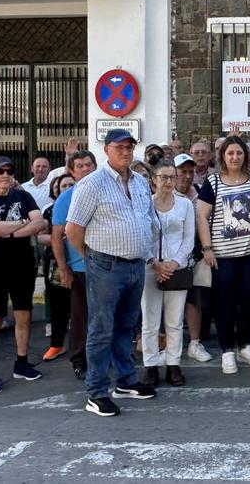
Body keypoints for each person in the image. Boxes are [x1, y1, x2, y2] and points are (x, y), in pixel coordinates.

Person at [65, 130, 159, 417]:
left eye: (130, 146)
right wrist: (92, 259)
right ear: (106, 150)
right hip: (105, 265)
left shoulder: (141, 182)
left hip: (135, 264)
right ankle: (96, 392)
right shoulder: (92, 184)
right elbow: (72, 230)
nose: (126, 151)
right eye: (120, 147)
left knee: (126, 327)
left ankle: (126, 381)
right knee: (101, 329)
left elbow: (147, 220)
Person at [0, 156, 47, 396]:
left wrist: (11, 231)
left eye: (10, 170)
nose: (5, 174)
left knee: (23, 315)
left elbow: (39, 223)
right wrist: (21, 223)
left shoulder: (23, 196)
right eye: (0, 171)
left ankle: (22, 362)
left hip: (22, 264)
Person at [196, 136, 250, 374]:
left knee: (249, 303)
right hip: (222, 256)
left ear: (245, 156)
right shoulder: (213, 182)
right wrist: (207, 248)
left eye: (239, 153)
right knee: (223, 304)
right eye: (230, 153)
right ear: (222, 156)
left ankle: (244, 344)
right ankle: (227, 350)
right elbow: (201, 216)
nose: (235, 157)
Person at [143, 161, 195, 387]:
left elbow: (189, 239)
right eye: (163, 177)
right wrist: (155, 264)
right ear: (154, 179)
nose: (168, 182)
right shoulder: (144, 205)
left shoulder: (185, 205)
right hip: (150, 269)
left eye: (172, 177)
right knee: (150, 322)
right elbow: (140, 237)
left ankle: (173, 365)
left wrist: (173, 264)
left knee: (174, 322)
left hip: (177, 268)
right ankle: (150, 366)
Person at [51, 149, 98, 380]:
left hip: (105, 267)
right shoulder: (65, 199)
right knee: (80, 319)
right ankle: (79, 360)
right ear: (72, 171)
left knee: (105, 317)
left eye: (88, 165)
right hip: (79, 269)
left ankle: (101, 357)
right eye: (79, 166)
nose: (85, 169)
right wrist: (63, 268)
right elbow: (57, 235)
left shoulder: (105, 191)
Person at [173, 153, 212, 363]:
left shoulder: (199, 193)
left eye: (190, 172)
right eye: (182, 172)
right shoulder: (166, 196)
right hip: (173, 258)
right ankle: (171, 343)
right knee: (172, 301)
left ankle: (194, 343)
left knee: (195, 300)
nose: (187, 176)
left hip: (196, 255)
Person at [39, 173, 75, 362]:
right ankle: (56, 344)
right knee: (58, 306)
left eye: (71, 184)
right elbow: (41, 236)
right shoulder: (50, 211)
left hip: (81, 264)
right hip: (55, 264)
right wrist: (58, 240)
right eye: (63, 186)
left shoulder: (84, 207)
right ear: (56, 191)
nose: (68, 188)